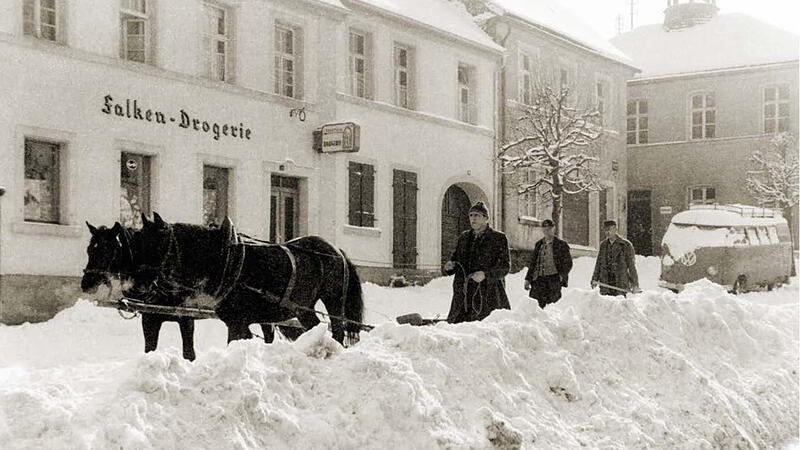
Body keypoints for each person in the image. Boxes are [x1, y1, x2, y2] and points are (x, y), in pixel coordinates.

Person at [443, 201, 510, 323]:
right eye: (471, 215)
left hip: (488, 294)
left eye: (477, 215)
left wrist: (485, 275)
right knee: (459, 329)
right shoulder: (463, 237)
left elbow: (505, 267)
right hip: (463, 296)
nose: (473, 219)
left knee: (484, 331)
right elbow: (455, 259)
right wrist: (450, 266)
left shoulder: (498, 238)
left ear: (486, 218)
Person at [524, 219, 573, 309]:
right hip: (538, 281)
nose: (546, 231)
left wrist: (561, 275)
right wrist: (528, 279)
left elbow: (568, 263)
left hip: (553, 280)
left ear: (553, 229)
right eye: (544, 229)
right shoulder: (539, 245)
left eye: (549, 229)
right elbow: (533, 263)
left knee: (553, 307)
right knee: (535, 306)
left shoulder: (561, 245)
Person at [591, 220, 641, 296]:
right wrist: (594, 278)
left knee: (619, 305)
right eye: (605, 230)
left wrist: (635, 285)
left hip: (620, 281)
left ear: (615, 229)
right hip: (606, 282)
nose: (607, 232)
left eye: (609, 229)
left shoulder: (625, 245)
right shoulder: (603, 245)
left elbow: (631, 266)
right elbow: (598, 264)